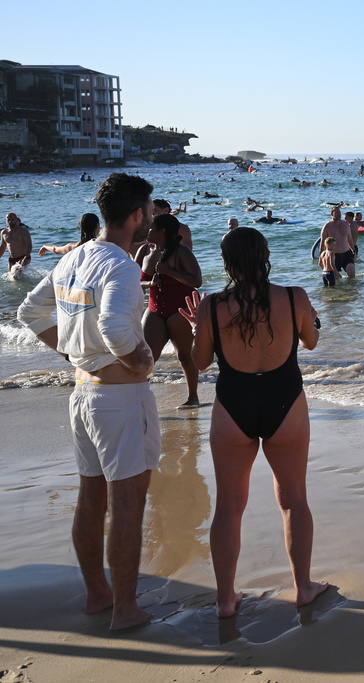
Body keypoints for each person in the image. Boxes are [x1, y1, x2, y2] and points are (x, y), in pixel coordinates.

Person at [17, 173, 160, 630]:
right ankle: (125, 608)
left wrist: (71, 350)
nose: (153, 218)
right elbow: (118, 327)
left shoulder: (74, 258)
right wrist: (141, 358)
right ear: (136, 215)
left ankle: (99, 595)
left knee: (91, 496)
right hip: (118, 397)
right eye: (151, 210)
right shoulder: (120, 264)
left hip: (83, 393)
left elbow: (30, 311)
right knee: (128, 503)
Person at [179, 227, 328, 618]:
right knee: (294, 500)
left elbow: (200, 363)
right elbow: (311, 342)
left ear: (228, 262)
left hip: (233, 406)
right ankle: (304, 588)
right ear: (265, 255)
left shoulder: (212, 305)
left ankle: (226, 599)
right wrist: (312, 320)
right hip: (286, 403)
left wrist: (198, 328)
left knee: (229, 505)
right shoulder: (293, 296)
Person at [136, 213, 202, 408]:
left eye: (151, 227)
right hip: (154, 308)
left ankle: (193, 398)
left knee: (184, 354)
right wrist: (150, 282)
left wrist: (168, 271)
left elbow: (197, 281)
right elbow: (134, 281)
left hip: (180, 309)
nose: (147, 230)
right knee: (146, 356)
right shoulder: (144, 250)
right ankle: (138, 397)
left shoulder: (182, 252)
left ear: (162, 231)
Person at [318, 206, 355, 279]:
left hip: (346, 254)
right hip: (333, 255)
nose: (339, 214)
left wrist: (354, 251)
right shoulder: (327, 227)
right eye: (337, 213)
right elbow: (322, 243)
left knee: (352, 275)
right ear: (332, 214)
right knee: (336, 279)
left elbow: (350, 239)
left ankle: (351, 290)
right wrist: (321, 257)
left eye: (340, 212)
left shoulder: (346, 224)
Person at [1, 212, 32, 277]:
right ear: (6, 220)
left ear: (16, 220)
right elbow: (3, 246)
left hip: (23, 257)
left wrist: (26, 257)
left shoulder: (23, 231)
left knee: (15, 275)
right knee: (11, 278)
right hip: (11, 259)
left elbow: (29, 245)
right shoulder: (4, 232)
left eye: (12, 219)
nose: (10, 221)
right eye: (8, 219)